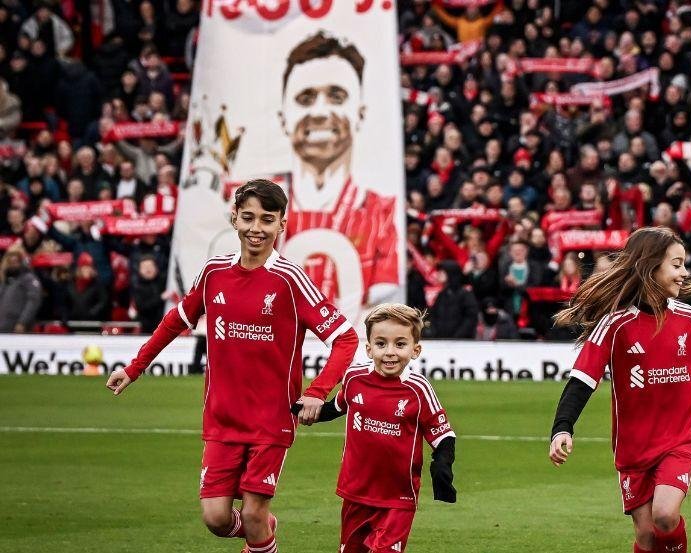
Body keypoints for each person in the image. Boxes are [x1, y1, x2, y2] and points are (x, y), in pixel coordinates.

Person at [105, 180, 359, 553]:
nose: (257, 228)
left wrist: (317, 392)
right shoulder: (214, 272)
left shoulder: (290, 279)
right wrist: (134, 368)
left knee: (254, 514)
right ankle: (263, 529)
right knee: (216, 518)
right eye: (249, 217)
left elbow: (345, 338)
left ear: (281, 225)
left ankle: (260, 530)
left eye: (267, 220)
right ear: (234, 219)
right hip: (222, 418)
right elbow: (176, 320)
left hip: (271, 419)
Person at [547, 226, 691, 553]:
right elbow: (582, 380)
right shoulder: (614, 324)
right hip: (633, 448)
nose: (684, 273)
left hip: (680, 438)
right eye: (676, 265)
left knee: (665, 514)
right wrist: (562, 428)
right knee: (646, 536)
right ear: (650, 267)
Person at [294, 303, 457, 552]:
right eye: (381, 344)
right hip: (355, 492)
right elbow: (336, 408)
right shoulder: (354, 378)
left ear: (415, 350)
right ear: (369, 348)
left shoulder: (418, 389)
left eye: (400, 344)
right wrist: (300, 409)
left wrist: (442, 465)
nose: (390, 352)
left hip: (398, 497)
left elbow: (442, 434)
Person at [279, 31, 400, 308]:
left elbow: (383, 294)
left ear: (360, 113)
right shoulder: (253, 206)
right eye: (305, 98)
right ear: (283, 117)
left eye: (336, 96)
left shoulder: (380, 215)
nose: (320, 112)